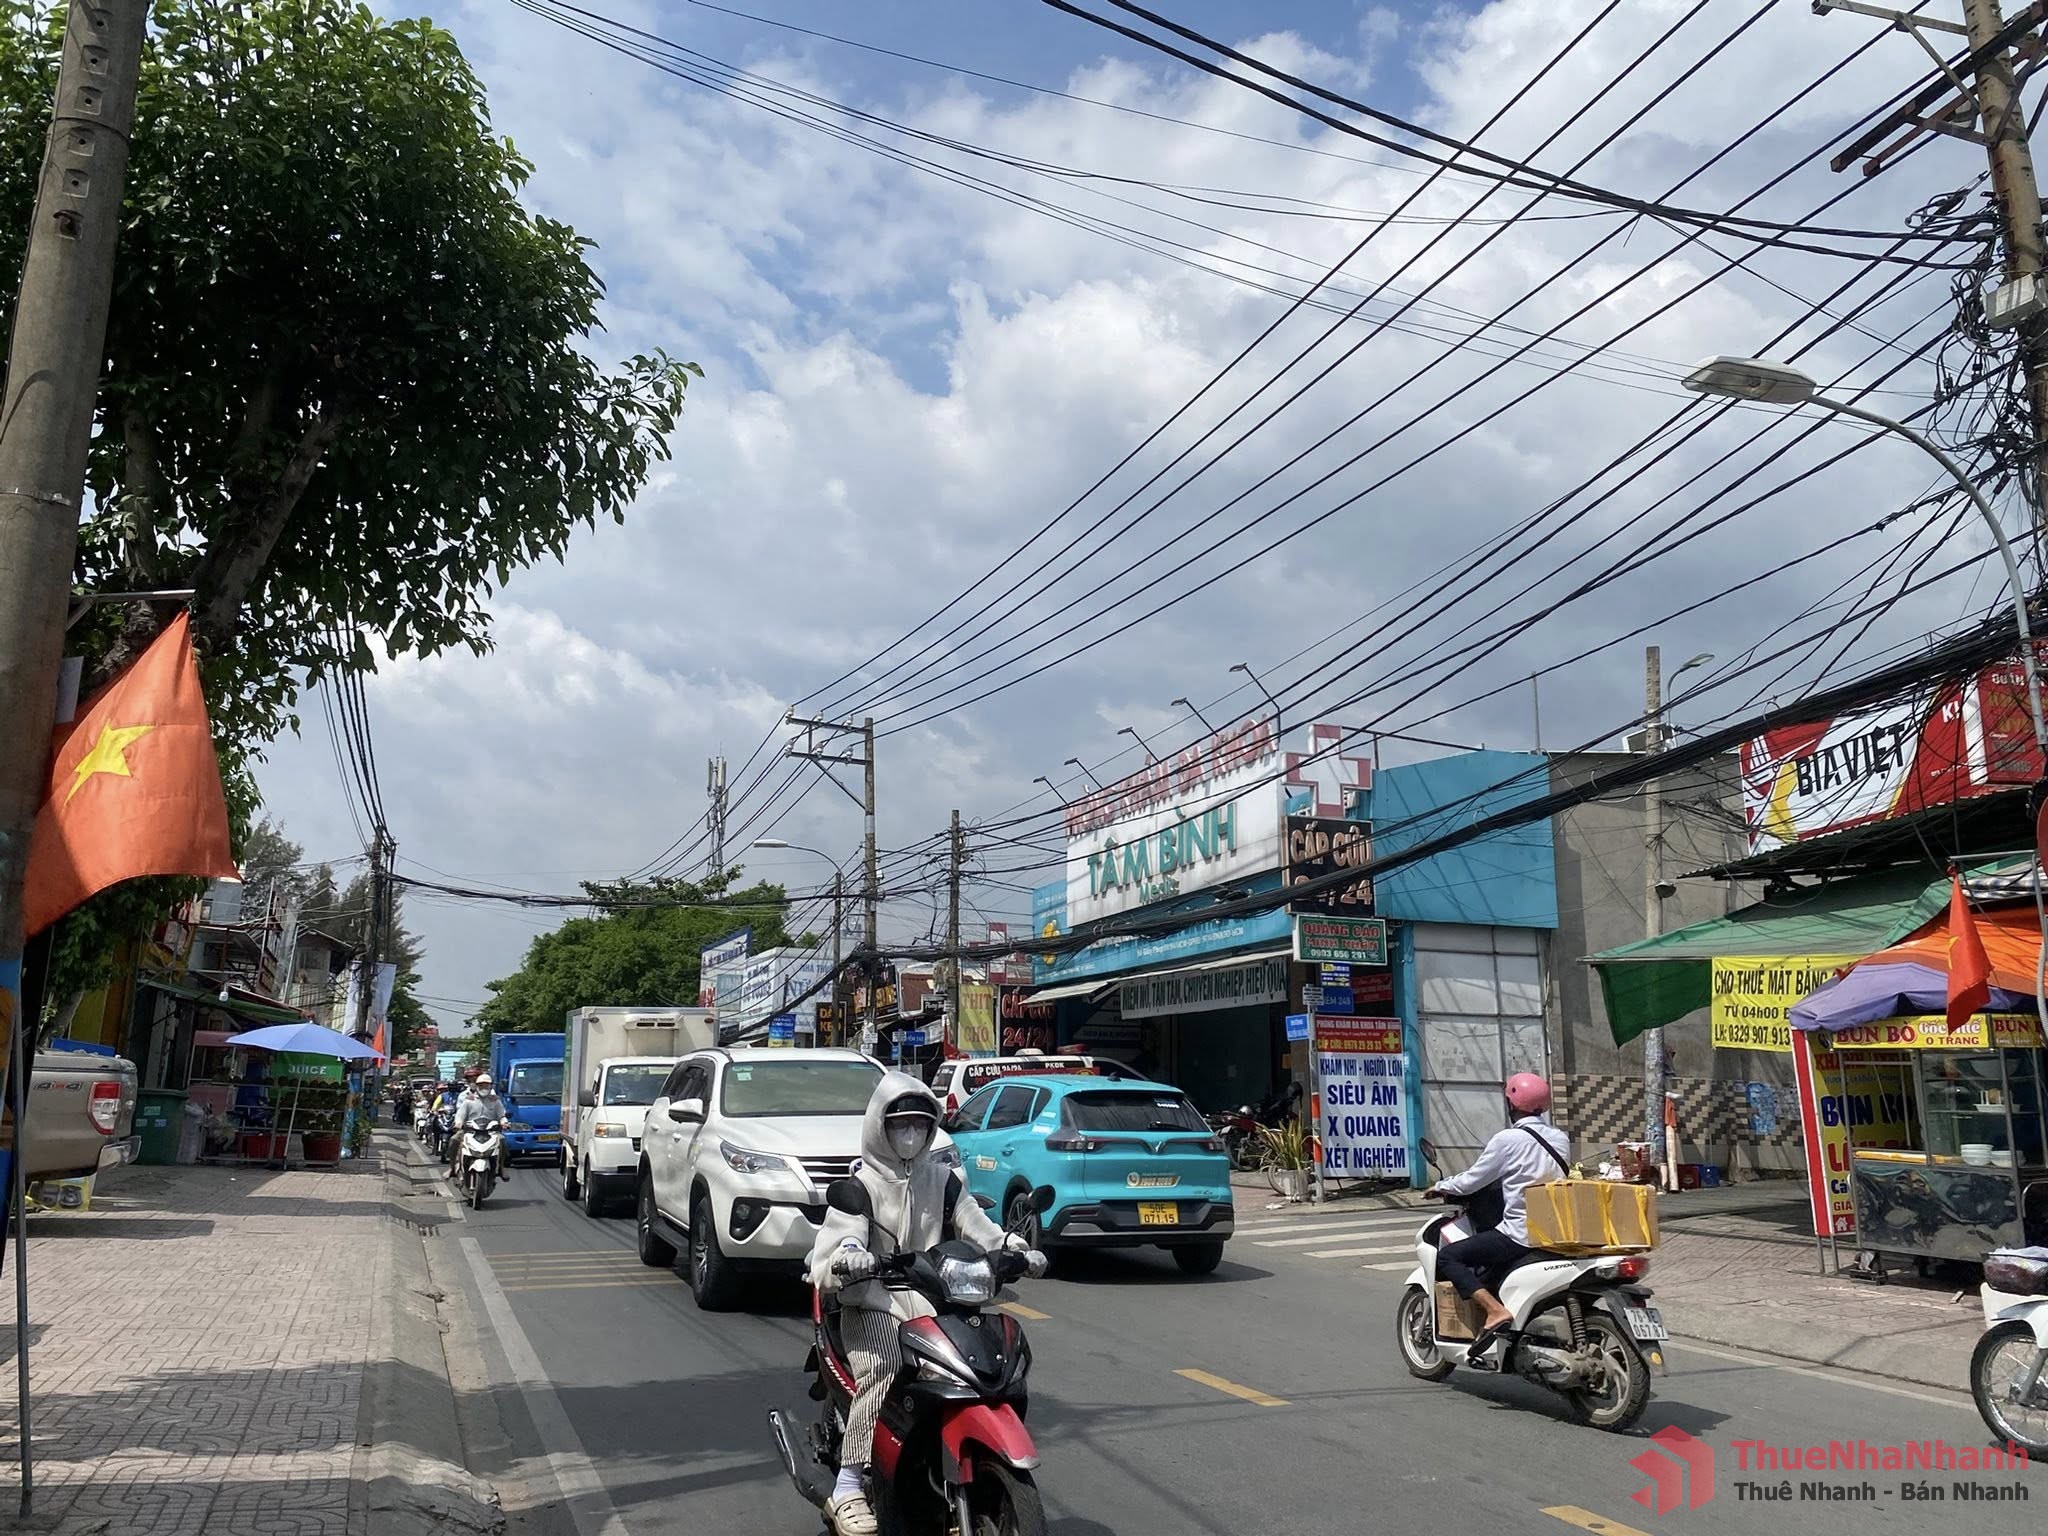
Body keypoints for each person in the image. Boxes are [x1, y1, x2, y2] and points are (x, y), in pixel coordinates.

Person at [808, 1071, 1047, 1536]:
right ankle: (849, 1485)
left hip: (933, 1299)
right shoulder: (862, 1185)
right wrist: (852, 1256)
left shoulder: (943, 1180)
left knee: (985, 1364)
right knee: (883, 1367)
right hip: (872, 1302)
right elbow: (841, 1238)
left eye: (920, 1123)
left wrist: (1014, 1248)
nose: (910, 1133)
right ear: (880, 1126)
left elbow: (978, 1226)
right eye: (900, 1123)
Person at [1427, 1072, 1570, 1366]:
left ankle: (1495, 1310)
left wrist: (1441, 1186)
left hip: (1520, 1233)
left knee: (1449, 1257)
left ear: (1511, 1103)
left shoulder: (1507, 1139)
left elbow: (1473, 1180)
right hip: (1555, 1231)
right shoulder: (1559, 1138)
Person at [449, 1073, 512, 1180]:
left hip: (491, 1132)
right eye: (481, 1085)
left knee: (503, 1141)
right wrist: (458, 1123)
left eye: (487, 1085)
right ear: (477, 1086)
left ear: (491, 1086)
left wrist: (504, 1122)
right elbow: (460, 1115)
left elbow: (502, 1115)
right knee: (454, 1140)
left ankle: (501, 1168)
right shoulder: (469, 1100)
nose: (484, 1088)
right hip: (470, 1131)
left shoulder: (495, 1100)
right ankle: (451, 1167)